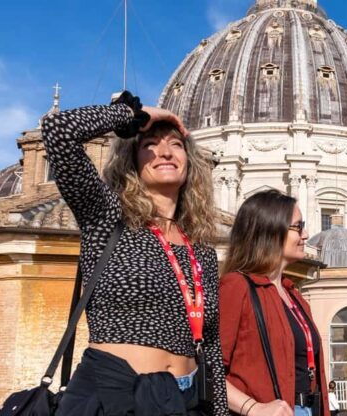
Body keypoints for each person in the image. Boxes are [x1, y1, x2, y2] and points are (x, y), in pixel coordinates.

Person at [42, 92, 228, 415]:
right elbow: (59, 131)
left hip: (187, 400)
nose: (165, 152)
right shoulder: (107, 217)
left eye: (176, 144)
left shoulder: (201, 251)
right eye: (150, 145)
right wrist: (133, 115)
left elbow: (210, 347)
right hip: (116, 394)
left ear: (189, 161)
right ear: (131, 162)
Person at [219, 190, 330, 416]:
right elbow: (208, 370)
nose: (306, 235)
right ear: (271, 230)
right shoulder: (237, 287)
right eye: (298, 227)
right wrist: (253, 408)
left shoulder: (295, 296)